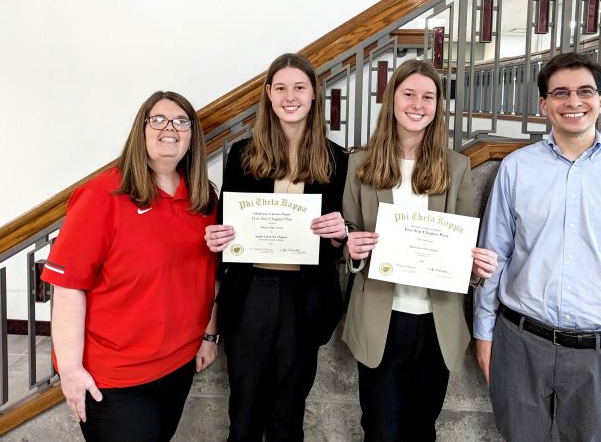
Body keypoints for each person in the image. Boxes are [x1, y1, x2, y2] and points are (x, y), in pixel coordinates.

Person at [474, 52, 601, 442]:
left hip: (600, 354)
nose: (573, 102)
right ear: (544, 104)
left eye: (584, 91)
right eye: (560, 93)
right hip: (521, 344)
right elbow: (493, 257)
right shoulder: (516, 168)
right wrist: (484, 334)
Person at [41, 91, 219, 442]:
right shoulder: (103, 195)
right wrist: (72, 371)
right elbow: (68, 287)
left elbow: (208, 274)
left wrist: (208, 335)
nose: (170, 128)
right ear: (141, 130)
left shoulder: (202, 197)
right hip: (116, 378)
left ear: (192, 137)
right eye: (158, 120)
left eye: (182, 122)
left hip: (178, 365)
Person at [342, 59, 498, 442]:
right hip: (381, 317)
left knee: (421, 429)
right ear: (392, 98)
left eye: (428, 97)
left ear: (437, 106)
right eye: (408, 94)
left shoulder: (457, 167)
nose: (418, 104)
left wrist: (476, 267)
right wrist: (353, 247)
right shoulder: (359, 164)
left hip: (435, 322)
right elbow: (346, 235)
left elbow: (463, 244)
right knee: (378, 430)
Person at [204, 53, 348, 442]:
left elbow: (338, 240)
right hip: (251, 293)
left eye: (299, 87)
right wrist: (218, 237)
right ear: (268, 95)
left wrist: (340, 234)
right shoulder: (242, 154)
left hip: (307, 296)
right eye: (281, 88)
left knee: (289, 415)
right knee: (245, 413)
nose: (290, 96)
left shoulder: (336, 159)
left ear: (314, 94)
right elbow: (224, 229)